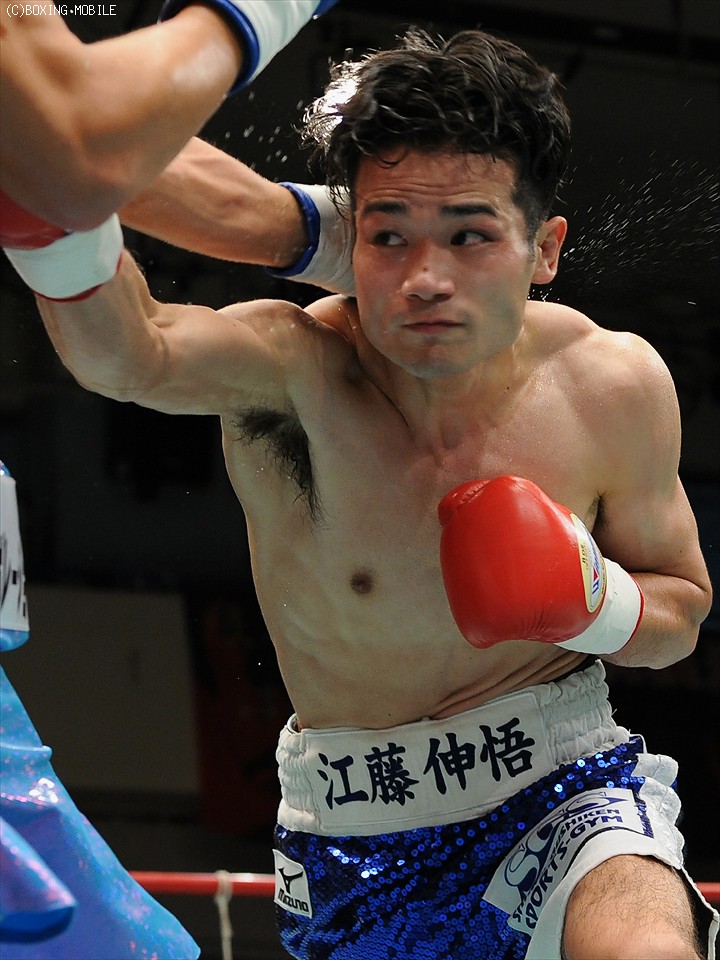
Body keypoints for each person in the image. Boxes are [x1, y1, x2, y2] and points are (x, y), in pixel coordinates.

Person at [2, 25, 718, 960]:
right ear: (349, 244)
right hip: (357, 832)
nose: (426, 278)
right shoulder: (295, 369)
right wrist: (53, 231)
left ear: (543, 249)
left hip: (564, 785)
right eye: (389, 237)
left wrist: (597, 605)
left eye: (470, 235)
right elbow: (130, 353)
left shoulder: (610, 382)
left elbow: (682, 609)